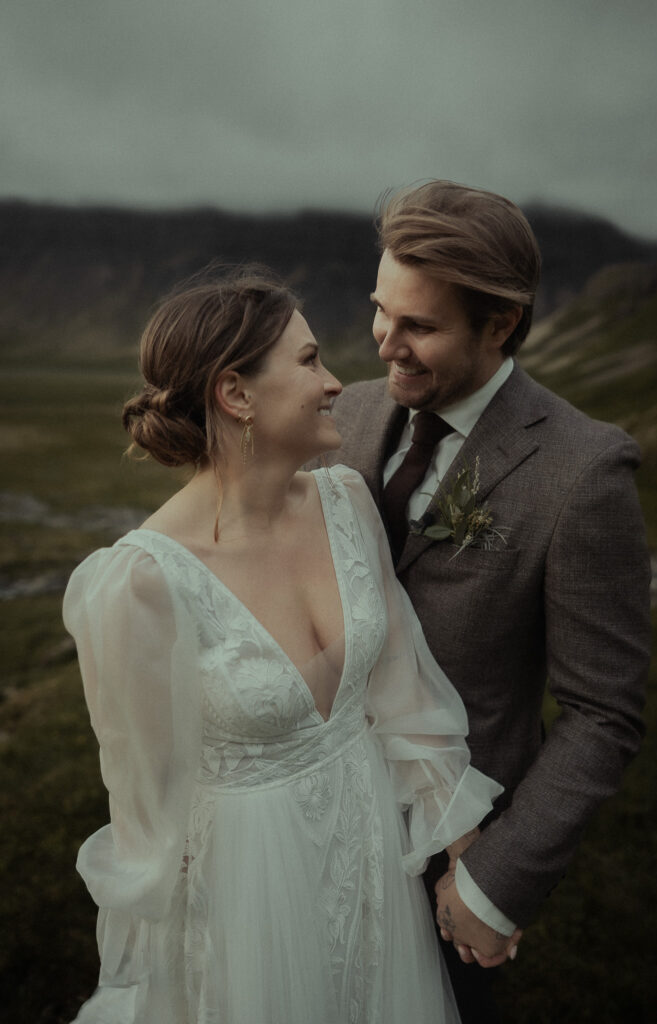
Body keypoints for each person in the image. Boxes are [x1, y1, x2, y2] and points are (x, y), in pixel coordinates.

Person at [63, 267, 507, 1024]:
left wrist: (470, 867)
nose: (336, 382)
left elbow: (405, 700)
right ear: (235, 394)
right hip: (248, 902)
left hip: (370, 862)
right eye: (307, 362)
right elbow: (144, 812)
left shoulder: (345, 502)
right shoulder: (138, 583)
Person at [323, 181, 651, 1021]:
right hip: (310, 822)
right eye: (379, 311)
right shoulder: (344, 416)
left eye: (420, 327)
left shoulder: (583, 472)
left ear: (499, 324)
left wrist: (493, 879)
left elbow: (602, 711)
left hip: (451, 863)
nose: (385, 344)